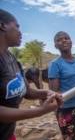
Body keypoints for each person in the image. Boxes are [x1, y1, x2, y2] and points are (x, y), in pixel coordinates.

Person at [0, 9, 64, 140]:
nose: (20, 32)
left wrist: (46, 93)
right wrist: (39, 111)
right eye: (17, 26)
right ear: (2, 26)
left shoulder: (11, 59)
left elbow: (27, 91)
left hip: (7, 134)